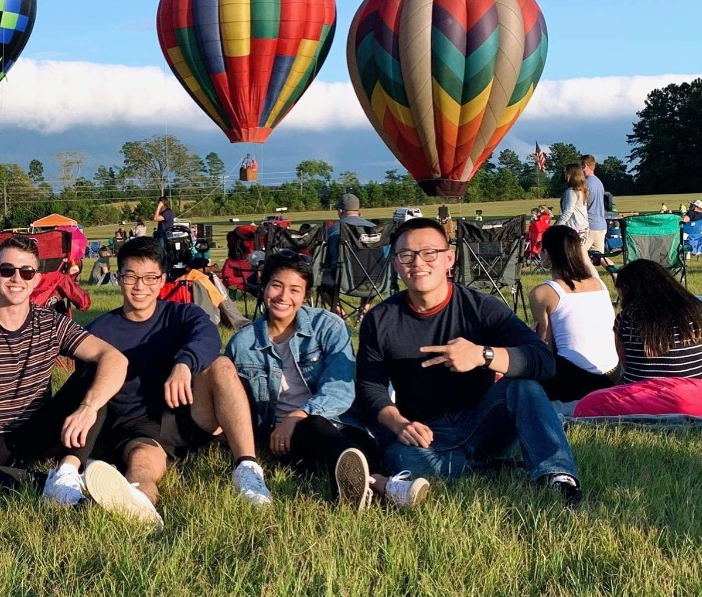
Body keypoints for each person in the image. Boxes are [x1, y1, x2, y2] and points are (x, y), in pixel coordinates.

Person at [356, 217, 581, 502]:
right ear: (396, 264)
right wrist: (400, 424)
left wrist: (483, 355)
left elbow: (543, 361)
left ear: (449, 258)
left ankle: (558, 477)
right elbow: (370, 388)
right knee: (401, 458)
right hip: (426, 432)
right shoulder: (380, 320)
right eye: (406, 255)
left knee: (523, 387)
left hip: (483, 419)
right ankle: (488, 468)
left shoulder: (480, 308)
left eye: (429, 253)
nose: (418, 262)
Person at [81, 236, 272, 525]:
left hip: (186, 411)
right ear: (119, 278)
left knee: (220, 365)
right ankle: (139, 505)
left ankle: (247, 468)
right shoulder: (99, 330)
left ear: (162, 281)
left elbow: (207, 336)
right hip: (136, 422)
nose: (140, 286)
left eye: (149, 278)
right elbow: (87, 386)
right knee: (142, 464)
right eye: (131, 276)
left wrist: (184, 363)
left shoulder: (182, 314)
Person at [0, 235, 129, 505]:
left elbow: (116, 358)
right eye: (7, 270)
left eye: (26, 272)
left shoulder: (50, 322)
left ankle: (67, 471)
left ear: (36, 279)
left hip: (36, 431)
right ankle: (60, 484)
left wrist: (89, 407)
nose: (16, 279)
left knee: (95, 375)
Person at [226, 251, 428, 509]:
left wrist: (297, 414)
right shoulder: (243, 344)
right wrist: (291, 422)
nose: (283, 297)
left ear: (306, 294)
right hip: (287, 439)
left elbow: (340, 387)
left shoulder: (328, 326)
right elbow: (235, 398)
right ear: (264, 286)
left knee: (356, 446)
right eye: (276, 285)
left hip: (344, 421)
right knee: (314, 427)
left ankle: (368, 485)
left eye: (295, 289)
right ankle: (388, 486)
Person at [573, 259, 702, 421]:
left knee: (586, 405)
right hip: (698, 397)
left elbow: (624, 364)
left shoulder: (627, 318)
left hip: (644, 398)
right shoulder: (698, 311)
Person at [528, 225, 618, 401]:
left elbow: (546, 344)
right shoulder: (598, 284)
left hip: (576, 379)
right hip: (613, 374)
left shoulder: (543, 292)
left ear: (546, 254)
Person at [580, 155, 608, 254]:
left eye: (580, 166)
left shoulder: (585, 184)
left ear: (585, 166)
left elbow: (583, 204)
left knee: (579, 256)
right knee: (600, 258)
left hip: (590, 226)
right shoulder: (599, 182)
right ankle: (615, 270)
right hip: (601, 225)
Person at [556, 163, 589, 239]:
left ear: (570, 174)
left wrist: (556, 227)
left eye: (566, 172)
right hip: (583, 228)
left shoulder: (571, 191)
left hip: (573, 229)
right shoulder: (583, 190)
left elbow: (568, 211)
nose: (565, 174)